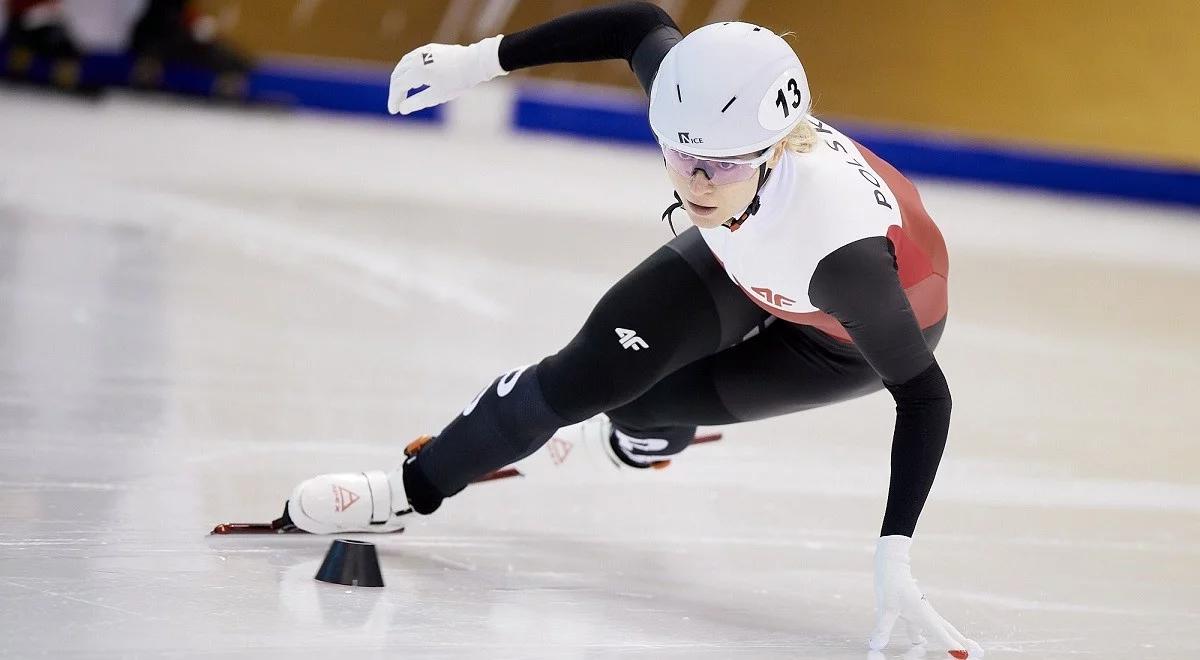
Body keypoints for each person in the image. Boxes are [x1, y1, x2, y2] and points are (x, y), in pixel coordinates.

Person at [283, 2, 980, 657]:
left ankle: (635, 442)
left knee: (642, 406)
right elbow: (640, 24)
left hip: (838, 339)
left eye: (719, 166)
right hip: (746, 258)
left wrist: (894, 553)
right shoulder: (705, 109)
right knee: (586, 376)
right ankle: (406, 490)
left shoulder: (843, 260)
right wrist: (478, 61)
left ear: (772, 149)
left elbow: (925, 398)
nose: (696, 184)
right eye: (679, 156)